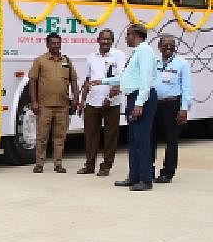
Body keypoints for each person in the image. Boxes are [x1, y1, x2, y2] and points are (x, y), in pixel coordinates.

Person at [108, 23, 156, 191]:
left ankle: (146, 179)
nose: (126, 38)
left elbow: (145, 80)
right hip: (133, 97)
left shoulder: (145, 52)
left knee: (142, 141)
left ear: (136, 35)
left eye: (128, 34)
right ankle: (134, 176)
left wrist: (139, 103)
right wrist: (103, 81)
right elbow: (127, 77)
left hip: (141, 98)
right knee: (133, 140)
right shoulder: (137, 52)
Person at [28, 32, 79, 173]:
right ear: (47, 44)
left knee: (60, 137)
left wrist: (76, 98)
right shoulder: (40, 61)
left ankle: (58, 164)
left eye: (58, 43)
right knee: (42, 136)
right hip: (45, 105)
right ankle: (39, 164)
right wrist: (34, 102)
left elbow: (73, 80)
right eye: (53, 43)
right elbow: (33, 81)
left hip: (63, 106)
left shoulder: (67, 61)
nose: (56, 46)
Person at [78, 29, 125, 177]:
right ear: (97, 40)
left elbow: (121, 79)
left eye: (109, 39)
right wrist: (82, 101)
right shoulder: (91, 57)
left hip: (111, 103)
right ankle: (89, 165)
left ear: (112, 41)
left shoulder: (119, 55)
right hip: (92, 102)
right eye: (103, 39)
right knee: (90, 135)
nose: (106, 42)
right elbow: (87, 80)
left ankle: (106, 166)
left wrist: (110, 98)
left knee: (110, 136)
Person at [152, 34, 191, 184]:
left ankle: (167, 173)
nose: (168, 47)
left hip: (172, 105)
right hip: (153, 104)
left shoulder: (182, 63)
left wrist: (184, 109)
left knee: (171, 140)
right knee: (150, 138)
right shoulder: (153, 62)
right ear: (159, 47)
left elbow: (187, 88)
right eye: (165, 44)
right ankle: (148, 169)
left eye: (172, 44)